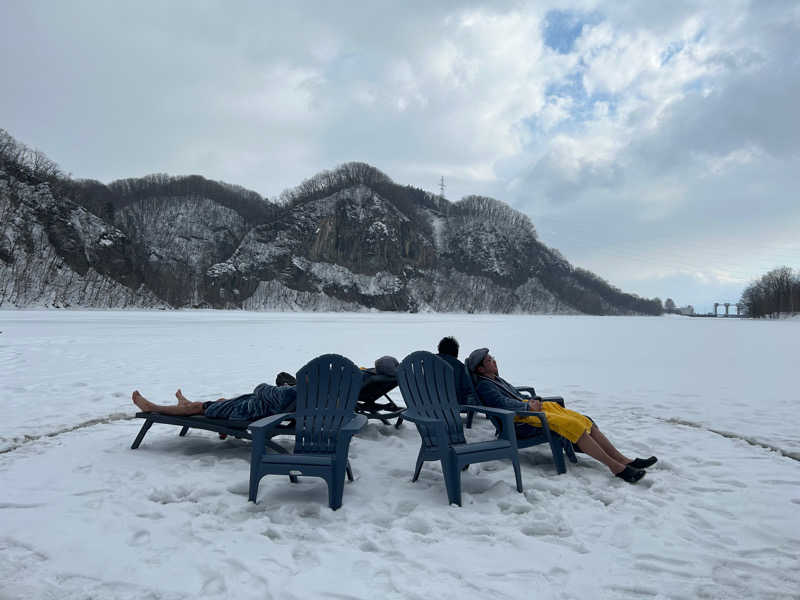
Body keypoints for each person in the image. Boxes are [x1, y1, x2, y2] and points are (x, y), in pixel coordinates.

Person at [466, 348, 657, 484]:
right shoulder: (485, 385)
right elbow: (502, 404)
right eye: (489, 360)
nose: (494, 361)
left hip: (530, 411)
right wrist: (526, 405)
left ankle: (623, 459)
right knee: (573, 425)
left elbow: (514, 395)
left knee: (584, 420)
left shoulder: (496, 379)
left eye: (492, 358)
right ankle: (616, 467)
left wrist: (532, 400)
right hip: (518, 422)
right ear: (481, 369)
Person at [131, 372, 298, 421]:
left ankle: (152, 408)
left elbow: (261, 389)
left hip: (253, 412)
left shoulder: (293, 393)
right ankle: (185, 405)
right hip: (265, 409)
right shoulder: (317, 397)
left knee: (201, 408)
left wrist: (263, 387)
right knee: (219, 403)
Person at [436, 336, 474, 405]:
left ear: (439, 349)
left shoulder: (423, 365)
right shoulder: (460, 368)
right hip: (452, 412)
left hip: (420, 412)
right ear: (456, 352)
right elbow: (469, 393)